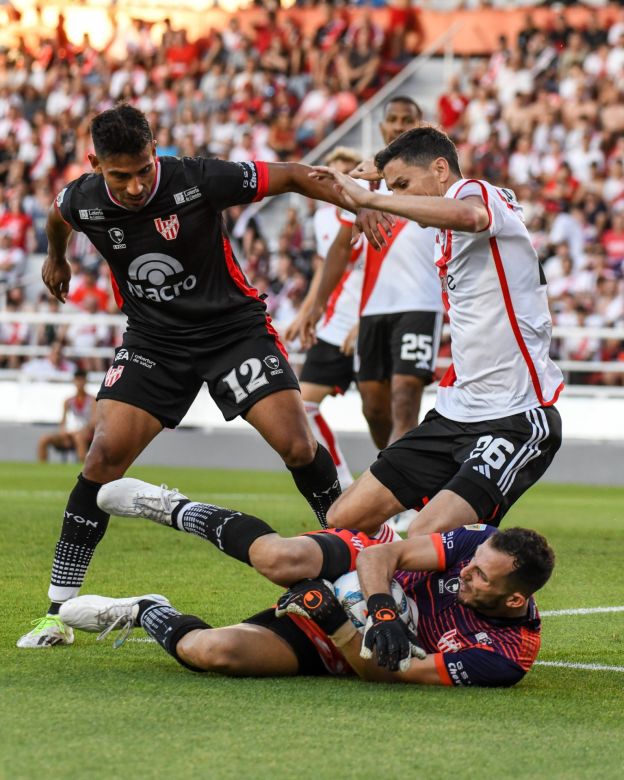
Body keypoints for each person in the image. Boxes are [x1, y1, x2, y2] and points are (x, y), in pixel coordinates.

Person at [17, 103, 390, 649]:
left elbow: (290, 175)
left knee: (296, 445)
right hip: (154, 342)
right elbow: (58, 217)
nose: (137, 183)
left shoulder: (195, 178)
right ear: (95, 164)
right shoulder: (82, 198)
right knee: (102, 457)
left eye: (144, 168)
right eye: (121, 175)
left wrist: (359, 200)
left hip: (232, 332)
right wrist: (57, 259)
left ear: (154, 151)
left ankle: (351, 551)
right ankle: (57, 611)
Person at [308, 126, 562, 542]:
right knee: (345, 517)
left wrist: (372, 196)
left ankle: (472, 583)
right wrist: (376, 172)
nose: (400, 198)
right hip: (456, 412)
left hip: (514, 414)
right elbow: (415, 159)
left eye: (405, 186)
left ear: (441, 170)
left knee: (426, 533)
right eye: (394, 188)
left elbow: (471, 215)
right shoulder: (441, 231)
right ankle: (387, 576)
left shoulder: (478, 194)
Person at [58, 478, 555, 687]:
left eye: (479, 577)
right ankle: (173, 507)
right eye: (471, 564)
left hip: (353, 646)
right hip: (370, 572)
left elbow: (396, 675)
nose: (465, 571)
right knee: (282, 557)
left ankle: (145, 608)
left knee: (212, 653)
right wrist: (381, 608)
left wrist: (337, 621)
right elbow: (388, 551)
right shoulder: (479, 545)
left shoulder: (506, 656)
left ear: (514, 597)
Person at [295, 98, 444, 473]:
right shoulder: (367, 182)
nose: (397, 126)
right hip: (373, 308)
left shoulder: (435, 174)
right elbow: (340, 249)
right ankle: (402, 477)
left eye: (405, 120)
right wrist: (315, 305)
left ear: (418, 123)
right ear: (381, 129)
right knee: (374, 408)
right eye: (391, 120)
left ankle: (401, 494)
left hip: (420, 302)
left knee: (406, 395)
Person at [284, 145, 365, 490]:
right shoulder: (321, 219)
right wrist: (307, 313)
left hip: (372, 320)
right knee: (304, 405)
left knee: (384, 413)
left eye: (347, 172)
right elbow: (324, 270)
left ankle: (403, 495)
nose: (338, 181)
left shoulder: (374, 210)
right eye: (332, 173)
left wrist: (367, 318)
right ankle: (344, 482)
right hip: (336, 323)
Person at [37, 368, 96, 462]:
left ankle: (82, 470)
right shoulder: (68, 401)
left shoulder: (92, 400)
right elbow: (63, 422)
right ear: (74, 381)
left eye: (81, 380)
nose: (79, 383)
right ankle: (42, 468)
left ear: (85, 381)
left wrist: (83, 430)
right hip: (69, 433)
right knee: (44, 439)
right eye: (77, 380)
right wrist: (63, 431)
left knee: (79, 438)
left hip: (86, 433)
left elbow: (93, 422)